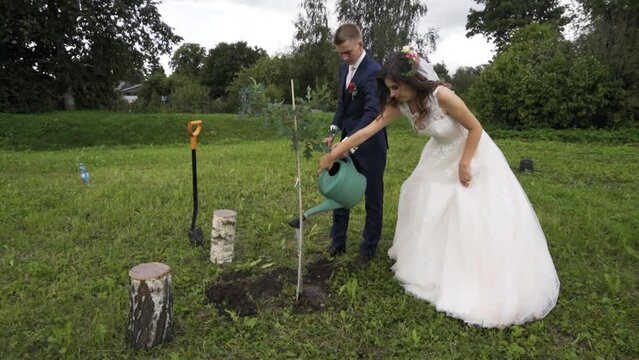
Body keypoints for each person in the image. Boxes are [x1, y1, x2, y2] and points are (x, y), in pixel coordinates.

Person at [319, 48, 560, 328]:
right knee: (429, 206)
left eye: (396, 87)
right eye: (389, 89)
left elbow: (475, 128)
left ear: (412, 81)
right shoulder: (401, 105)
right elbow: (367, 130)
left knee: (469, 211)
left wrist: (466, 161)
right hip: (439, 155)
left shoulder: (442, 96)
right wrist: (335, 152)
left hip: (470, 152)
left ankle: (474, 273)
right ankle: (436, 269)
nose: (393, 94)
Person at [325, 24, 388, 266]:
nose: (344, 57)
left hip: (370, 146)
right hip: (345, 141)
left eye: (347, 52)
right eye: (340, 53)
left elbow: (372, 112)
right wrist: (334, 130)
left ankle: (368, 248)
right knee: (341, 191)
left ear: (360, 44)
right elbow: (342, 104)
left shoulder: (374, 72)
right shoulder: (344, 68)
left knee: (373, 197)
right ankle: (337, 241)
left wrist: (349, 143)